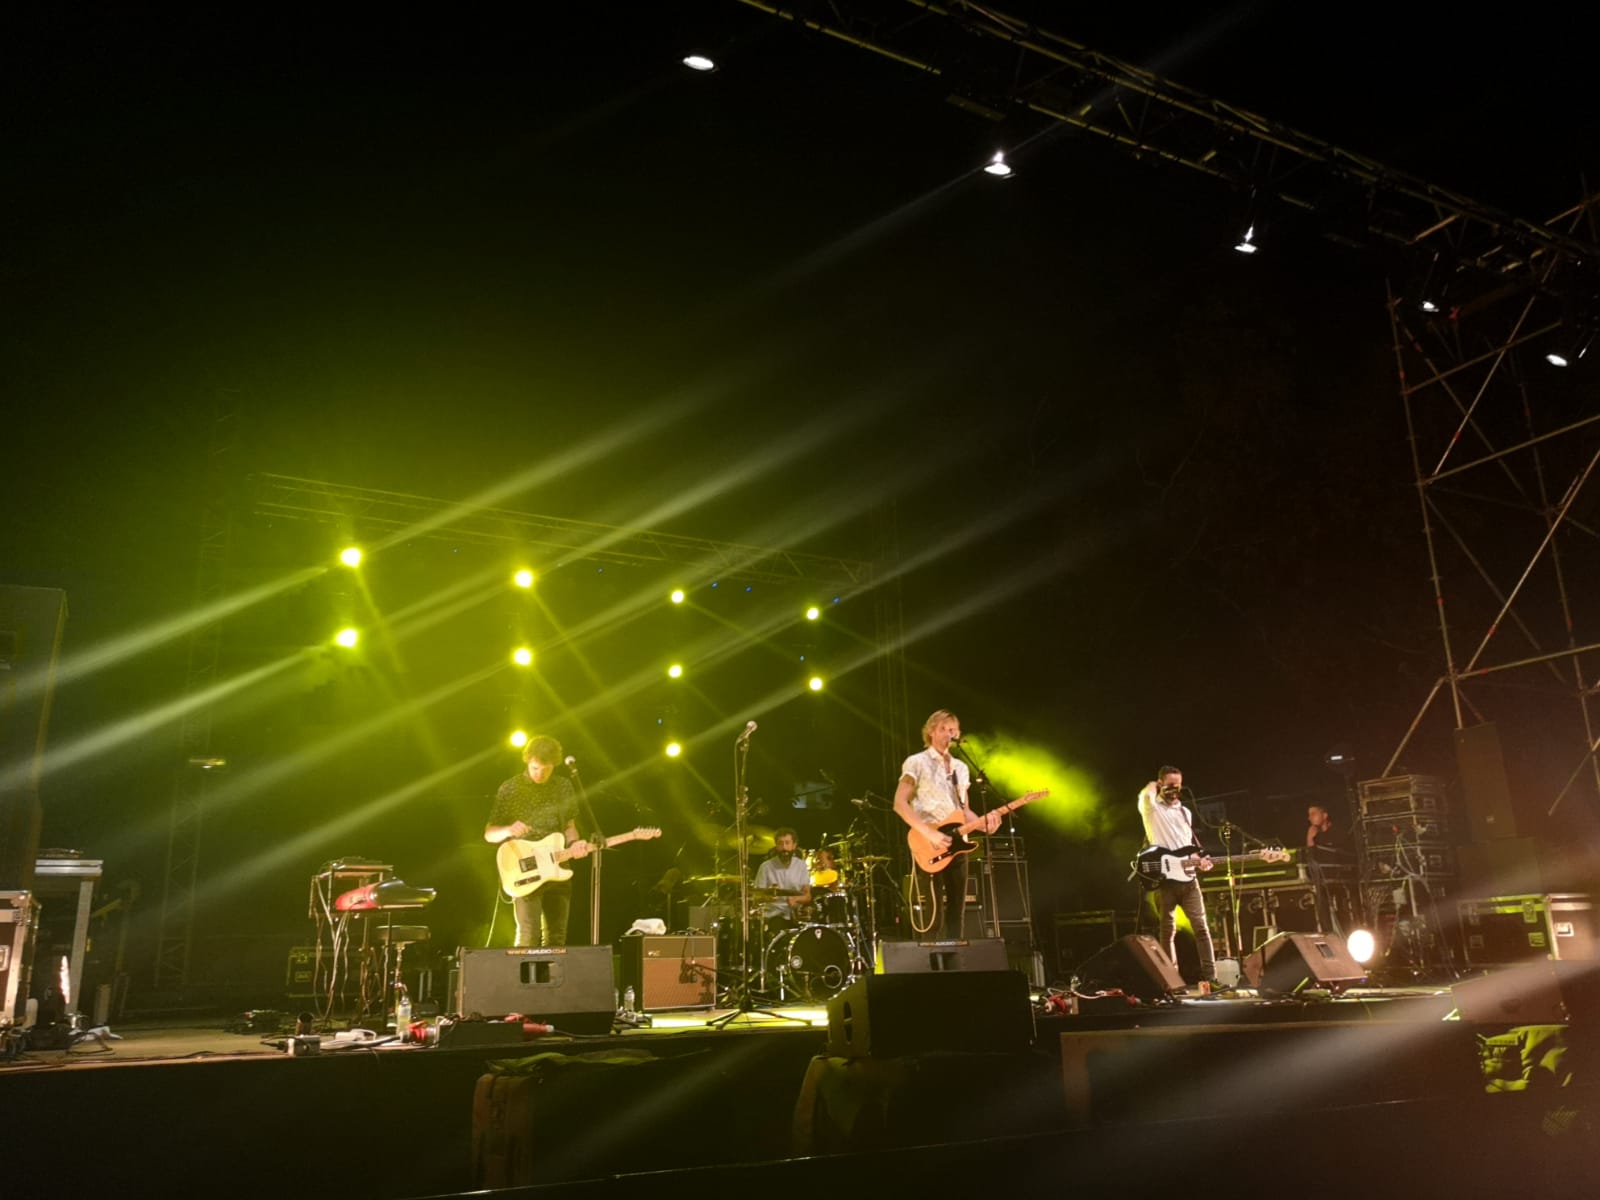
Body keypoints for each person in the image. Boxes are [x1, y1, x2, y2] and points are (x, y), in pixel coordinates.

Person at [893, 710, 1000, 940]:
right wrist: (928, 832)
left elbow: (964, 811)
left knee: (956, 914)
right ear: (930, 732)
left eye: (953, 730)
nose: (948, 734)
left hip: (957, 843)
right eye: (943, 728)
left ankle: (954, 966)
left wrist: (984, 824)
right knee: (934, 915)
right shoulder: (916, 762)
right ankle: (932, 969)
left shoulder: (960, 769)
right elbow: (900, 804)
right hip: (928, 842)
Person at [483, 735, 590, 947]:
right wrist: (508, 829)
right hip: (526, 869)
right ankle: (522, 980)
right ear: (527, 760)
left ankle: (551, 980)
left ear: (554, 764)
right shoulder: (510, 788)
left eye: (546, 768)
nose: (539, 774)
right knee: (528, 936)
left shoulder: (563, 786)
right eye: (535, 768)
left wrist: (575, 844)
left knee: (557, 938)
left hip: (558, 866)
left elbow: (570, 827)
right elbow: (489, 833)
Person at [1137, 765, 1217, 994]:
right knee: (1167, 931)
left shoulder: (1185, 812)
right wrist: (1155, 785)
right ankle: (1172, 983)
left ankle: (1212, 978)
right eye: (1170, 786)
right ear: (1161, 784)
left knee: (1202, 928)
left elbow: (1187, 847)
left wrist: (1200, 860)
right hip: (1165, 879)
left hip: (1189, 880)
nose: (1175, 791)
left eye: (1178, 787)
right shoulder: (1152, 809)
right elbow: (1144, 795)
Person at [753, 827, 812, 945]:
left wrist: (796, 899)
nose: (784, 848)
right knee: (779, 934)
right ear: (776, 846)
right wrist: (768, 897)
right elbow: (756, 896)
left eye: (787, 843)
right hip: (775, 916)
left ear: (794, 845)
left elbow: (808, 896)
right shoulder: (765, 867)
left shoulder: (801, 866)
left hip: (797, 916)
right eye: (780, 844)